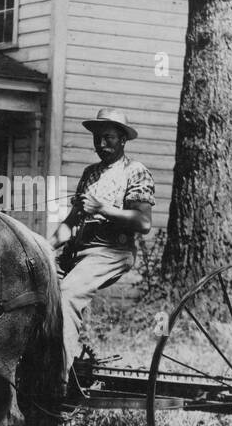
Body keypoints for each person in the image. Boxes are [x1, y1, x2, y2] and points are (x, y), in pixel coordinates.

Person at [52, 108, 156, 366]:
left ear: (123, 139)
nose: (101, 143)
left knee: (67, 294)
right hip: (77, 251)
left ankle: (59, 378)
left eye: (108, 137)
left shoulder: (135, 171)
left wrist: (101, 208)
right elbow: (69, 224)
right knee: (32, 285)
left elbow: (143, 222)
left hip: (111, 251)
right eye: (97, 138)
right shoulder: (90, 173)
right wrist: (43, 248)